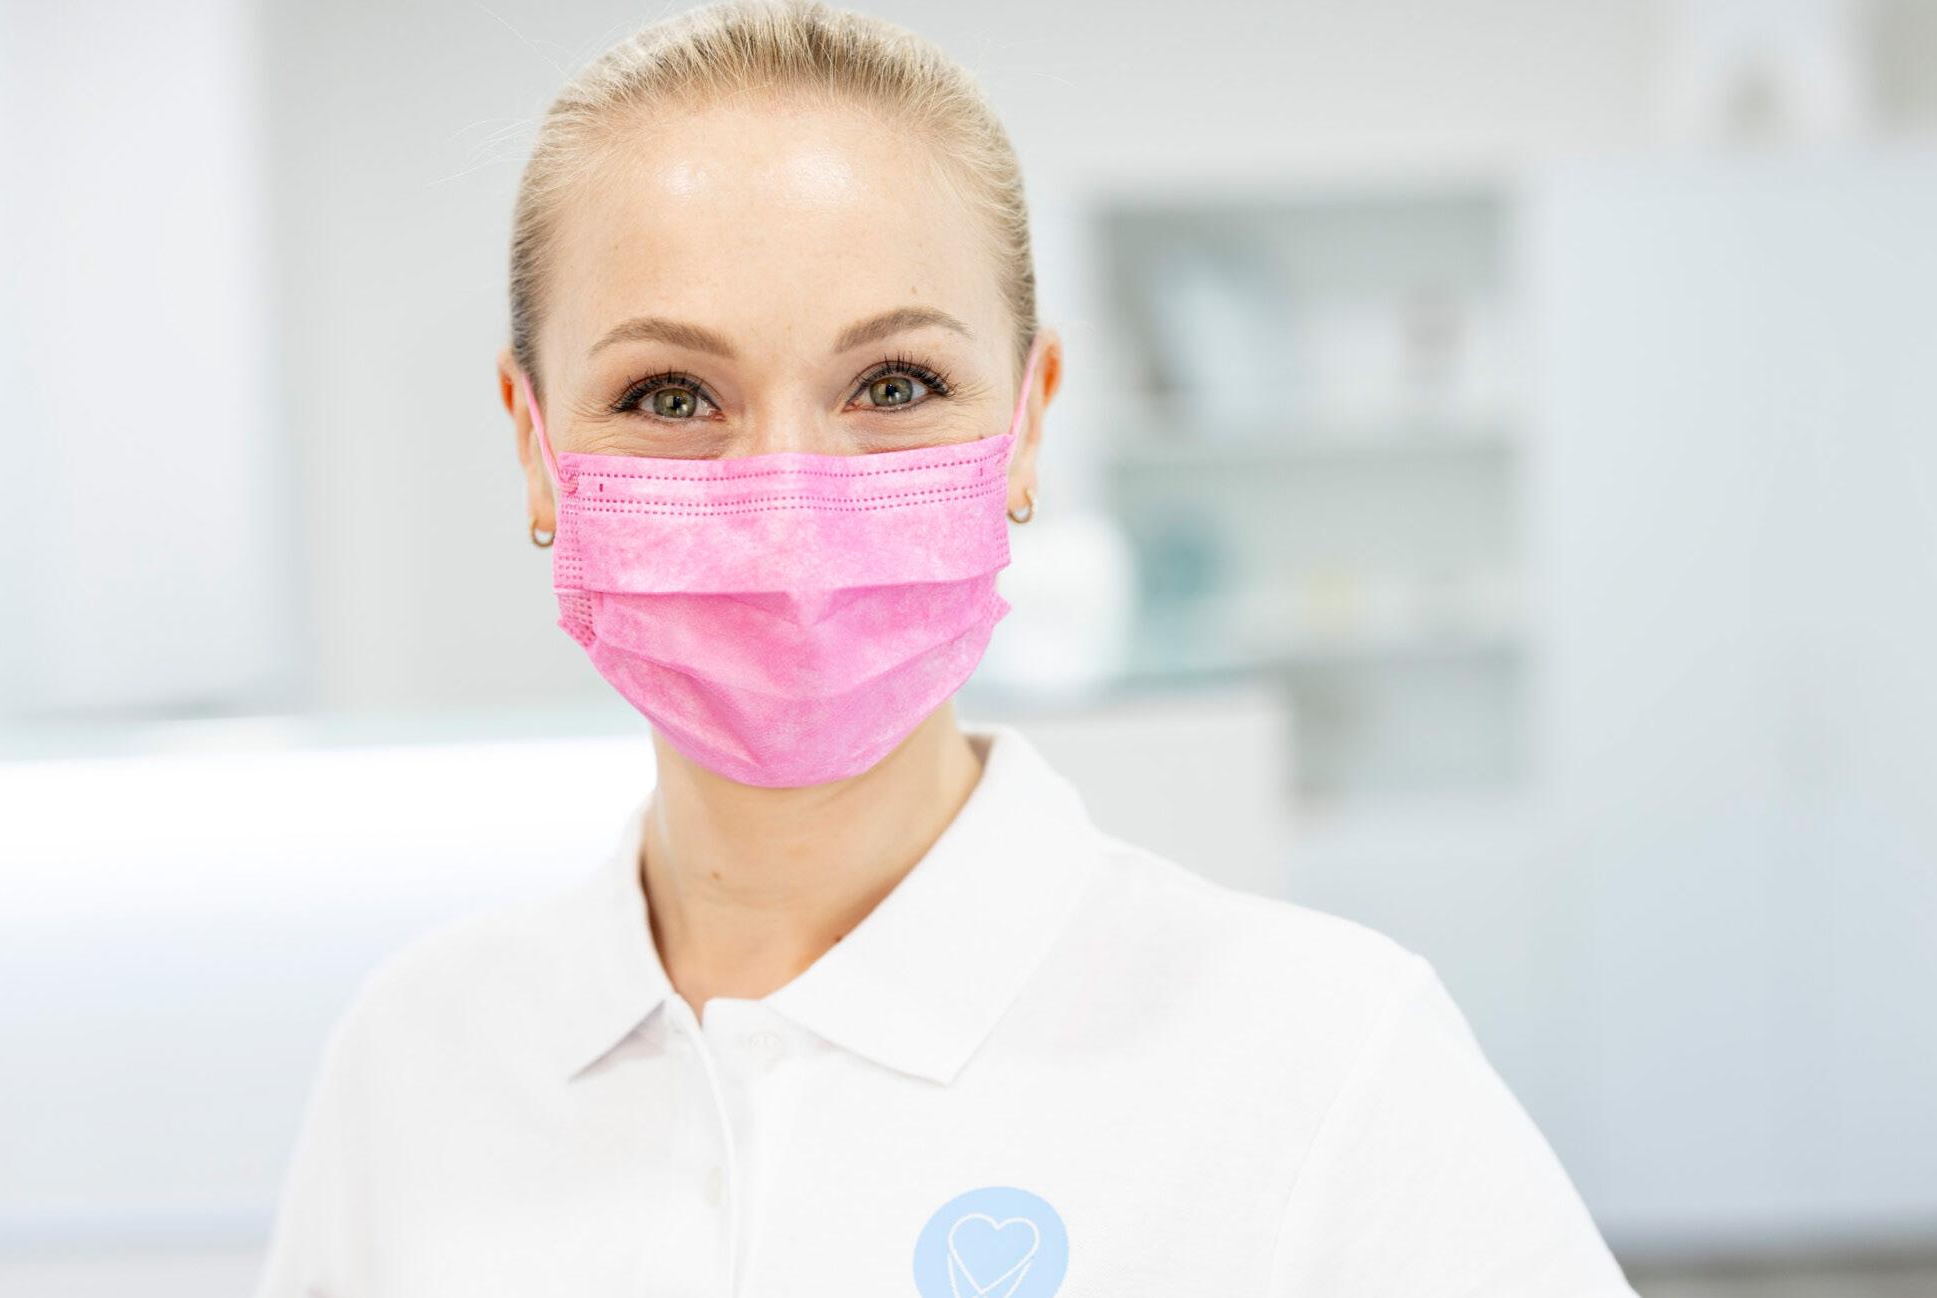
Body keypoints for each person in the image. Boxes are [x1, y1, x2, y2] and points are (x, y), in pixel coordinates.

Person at [254, 3, 1634, 1294]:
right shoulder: (413, 1066)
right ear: (534, 442)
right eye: (670, 394)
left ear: (1025, 426)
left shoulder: (1326, 1063)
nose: (787, 510)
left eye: (894, 383)